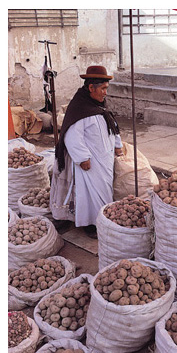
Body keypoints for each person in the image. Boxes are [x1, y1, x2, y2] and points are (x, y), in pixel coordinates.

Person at [51, 65, 123, 238]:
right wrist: (83, 158)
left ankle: (101, 219)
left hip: (104, 159)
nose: (106, 93)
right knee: (90, 193)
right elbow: (72, 136)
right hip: (89, 162)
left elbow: (111, 126)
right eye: (103, 89)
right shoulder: (80, 108)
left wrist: (118, 145)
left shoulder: (99, 105)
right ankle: (91, 224)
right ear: (91, 88)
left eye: (106, 88)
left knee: (104, 191)